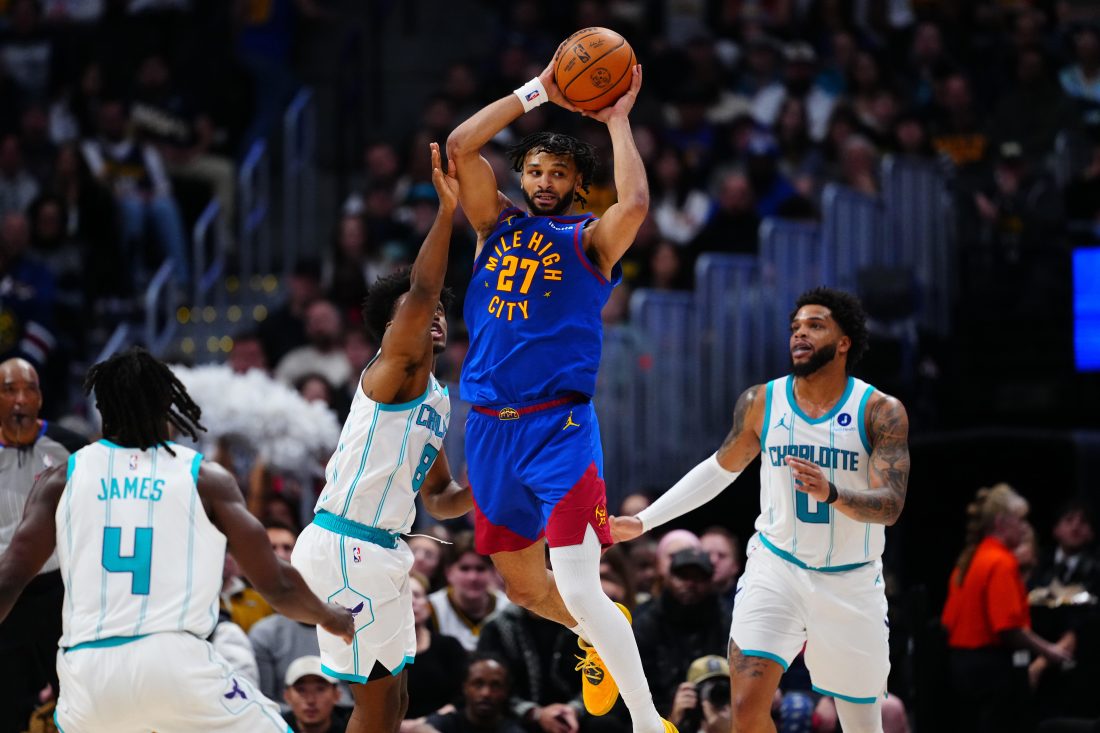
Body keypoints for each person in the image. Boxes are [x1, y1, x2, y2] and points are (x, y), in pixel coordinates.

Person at [446, 53, 671, 732]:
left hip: (559, 429)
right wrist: (538, 89)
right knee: (522, 587)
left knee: (576, 579)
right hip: (487, 427)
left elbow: (633, 202)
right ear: (523, 178)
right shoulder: (493, 228)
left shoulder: (589, 242)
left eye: (559, 173)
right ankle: (599, 631)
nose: (545, 180)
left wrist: (619, 121)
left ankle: (646, 720)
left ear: (578, 184)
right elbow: (460, 146)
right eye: (535, 171)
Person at [0, 346, 354, 732]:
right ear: (167, 404)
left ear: (103, 408)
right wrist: (332, 617)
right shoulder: (204, 479)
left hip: (88, 674)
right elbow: (278, 585)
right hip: (174, 660)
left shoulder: (62, 479)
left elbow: (8, 580)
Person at [614, 287, 912, 733]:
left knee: (862, 726)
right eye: (795, 327)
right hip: (777, 568)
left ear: (844, 341)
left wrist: (833, 493)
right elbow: (718, 470)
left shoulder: (880, 411)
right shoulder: (762, 402)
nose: (799, 334)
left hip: (850, 579)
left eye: (815, 326)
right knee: (746, 706)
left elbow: (890, 505)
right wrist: (645, 520)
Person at [291, 143, 473, 733]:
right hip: (347, 545)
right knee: (373, 706)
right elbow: (421, 292)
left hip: (383, 549)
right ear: (395, 327)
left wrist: (492, 487)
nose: (434, 315)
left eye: (442, 310)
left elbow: (441, 499)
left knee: (393, 705)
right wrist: (447, 214)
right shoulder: (390, 371)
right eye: (421, 312)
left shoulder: (436, 400)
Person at [941, 484, 1074, 733]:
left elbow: (947, 622)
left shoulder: (970, 560)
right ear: (1002, 522)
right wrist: (1050, 651)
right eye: (1021, 520)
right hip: (990, 672)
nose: (1025, 527)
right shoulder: (1001, 562)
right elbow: (1009, 628)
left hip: (961, 669)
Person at [0, 358, 70, 732]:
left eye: (29, 389)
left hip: (59, 592)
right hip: (5, 597)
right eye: (9, 390)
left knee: (75, 701)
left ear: (41, 398)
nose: (20, 399)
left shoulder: (71, 446)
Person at [416, 654, 527, 733]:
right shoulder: (447, 723)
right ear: (465, 687)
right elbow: (421, 728)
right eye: (478, 684)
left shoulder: (513, 729)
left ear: (506, 690)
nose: (486, 693)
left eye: (495, 685)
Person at [282, 655, 350, 733]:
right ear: (287, 696)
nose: (311, 700)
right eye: (301, 690)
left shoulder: (354, 730)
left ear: (337, 695)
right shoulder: (273, 728)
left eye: (320, 689)